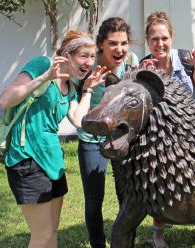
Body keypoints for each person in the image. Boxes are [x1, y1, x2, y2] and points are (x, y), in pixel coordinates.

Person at [0, 30, 107, 248]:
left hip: (53, 162)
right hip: (27, 159)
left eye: (92, 56)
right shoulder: (42, 65)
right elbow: (6, 99)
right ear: (67, 55)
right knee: (42, 235)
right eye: (83, 55)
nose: (89, 62)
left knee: (51, 231)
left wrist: (87, 91)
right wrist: (45, 77)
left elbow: (78, 120)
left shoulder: (71, 87)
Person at [141, 11, 195, 248]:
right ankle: (158, 231)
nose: (159, 44)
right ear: (148, 41)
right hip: (166, 135)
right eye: (154, 39)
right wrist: (142, 77)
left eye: (164, 38)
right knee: (160, 181)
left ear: (171, 38)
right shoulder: (146, 65)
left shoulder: (186, 60)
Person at [74, 17, 139, 248]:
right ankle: (98, 244)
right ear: (101, 43)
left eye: (123, 43)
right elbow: (73, 99)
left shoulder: (132, 61)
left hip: (121, 138)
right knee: (94, 199)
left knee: (126, 193)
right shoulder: (88, 65)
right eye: (112, 43)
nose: (119, 49)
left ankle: (124, 241)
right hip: (91, 140)